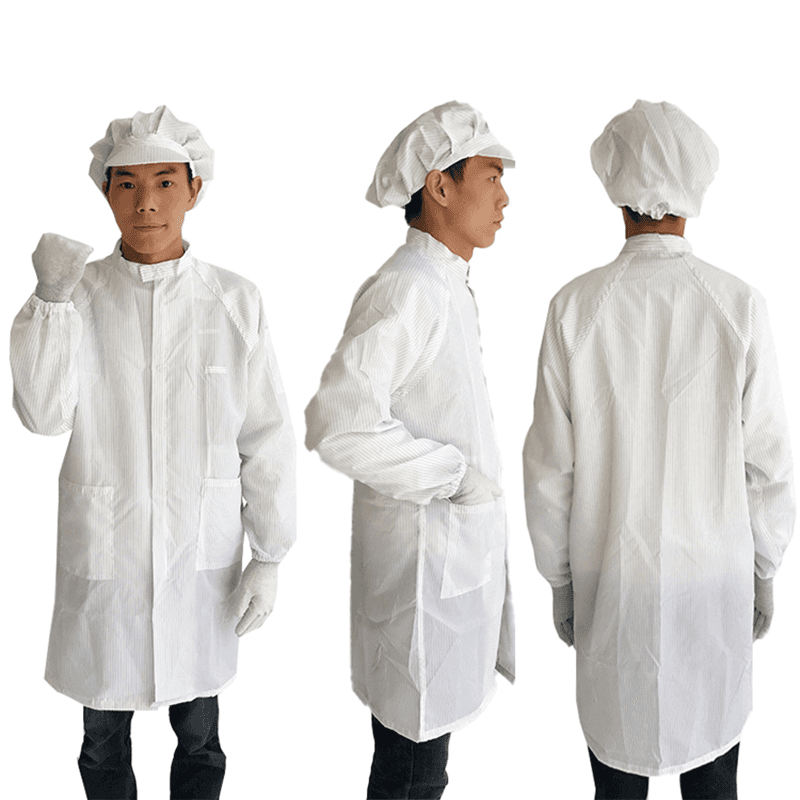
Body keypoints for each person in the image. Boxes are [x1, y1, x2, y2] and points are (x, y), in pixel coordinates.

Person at [10, 105, 296, 800]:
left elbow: (266, 434)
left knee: (199, 737)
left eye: (166, 182)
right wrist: (49, 297)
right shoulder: (74, 295)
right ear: (106, 193)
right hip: (105, 561)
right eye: (128, 184)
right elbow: (43, 416)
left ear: (195, 190)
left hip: (201, 564)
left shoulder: (235, 301)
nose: (146, 202)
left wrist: (270, 554)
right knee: (101, 740)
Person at [523, 99, 795, 799]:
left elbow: (550, 468)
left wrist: (560, 580)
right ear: (696, 190)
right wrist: (764, 567)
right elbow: (768, 463)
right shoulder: (738, 306)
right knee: (713, 777)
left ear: (616, 193)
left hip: (614, 587)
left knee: (617, 778)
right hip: (714, 585)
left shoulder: (575, 308)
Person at [305, 101, 515, 799]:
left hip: (444, 570)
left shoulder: (446, 284)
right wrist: (451, 476)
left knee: (419, 764)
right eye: (491, 177)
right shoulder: (408, 289)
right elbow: (338, 424)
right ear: (440, 186)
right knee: (413, 771)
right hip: (422, 579)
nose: (504, 198)